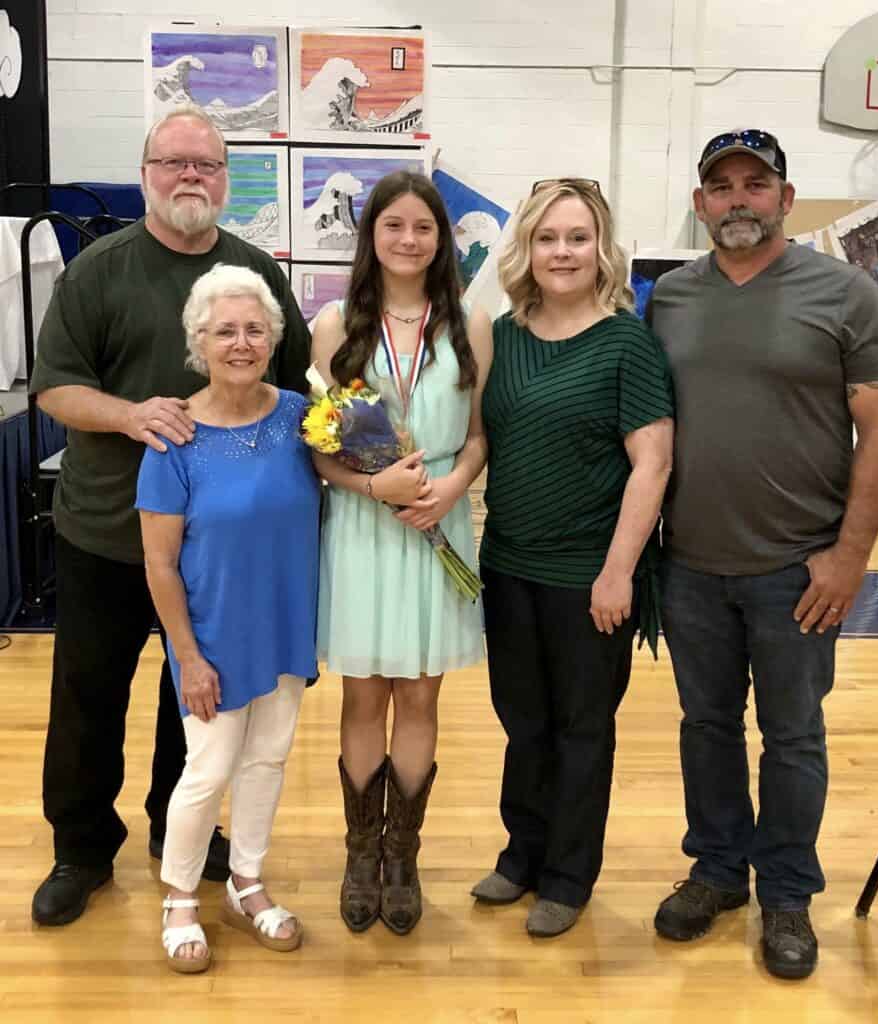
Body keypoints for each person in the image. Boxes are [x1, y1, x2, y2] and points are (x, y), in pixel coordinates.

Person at [29, 105, 311, 927]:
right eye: (174, 162)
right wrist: (130, 414)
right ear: (147, 172)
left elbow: (299, 392)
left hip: (218, 552)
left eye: (207, 164)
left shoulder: (257, 272)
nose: (191, 176)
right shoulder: (100, 270)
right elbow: (53, 389)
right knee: (89, 695)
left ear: (226, 178)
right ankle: (80, 848)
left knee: (189, 698)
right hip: (110, 532)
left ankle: (172, 830)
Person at [648, 129, 878, 980]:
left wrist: (849, 554)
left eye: (757, 184)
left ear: (786, 198)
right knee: (706, 728)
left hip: (800, 568)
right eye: (721, 187)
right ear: (700, 204)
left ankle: (787, 893)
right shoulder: (672, 298)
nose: (739, 200)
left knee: (792, 737)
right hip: (689, 566)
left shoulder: (846, 292)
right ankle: (718, 872)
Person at [470, 179, 674, 937]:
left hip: (590, 575)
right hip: (509, 564)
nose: (563, 252)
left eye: (578, 238)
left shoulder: (627, 341)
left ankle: (568, 873)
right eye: (549, 238)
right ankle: (521, 854)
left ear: (601, 249)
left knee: (582, 728)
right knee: (523, 720)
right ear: (528, 247)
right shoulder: (505, 334)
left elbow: (652, 463)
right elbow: (482, 437)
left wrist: (619, 570)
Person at [311, 170, 492, 935]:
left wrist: (450, 489)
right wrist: (372, 487)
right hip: (364, 525)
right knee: (364, 695)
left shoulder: (471, 324)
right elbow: (320, 449)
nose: (409, 239)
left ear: (441, 238)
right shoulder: (332, 324)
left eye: (424, 227)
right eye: (394, 227)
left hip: (440, 520)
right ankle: (361, 855)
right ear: (372, 236)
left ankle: (403, 856)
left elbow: (481, 435)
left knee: (420, 693)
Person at [136, 264, 317, 972]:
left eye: (254, 329)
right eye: (224, 332)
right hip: (210, 635)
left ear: (272, 338)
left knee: (268, 760)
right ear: (199, 342)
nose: (241, 343)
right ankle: (179, 896)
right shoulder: (174, 437)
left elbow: (360, 467)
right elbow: (158, 564)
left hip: (283, 625)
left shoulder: (302, 416)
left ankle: (246, 880)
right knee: (208, 770)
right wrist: (189, 655)